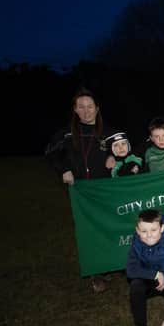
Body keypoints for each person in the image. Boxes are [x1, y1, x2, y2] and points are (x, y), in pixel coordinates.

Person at [45, 88, 115, 293]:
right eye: (81, 107)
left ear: (97, 108)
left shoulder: (108, 134)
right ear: (75, 110)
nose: (86, 111)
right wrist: (64, 169)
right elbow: (50, 153)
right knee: (89, 229)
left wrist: (116, 158)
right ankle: (96, 272)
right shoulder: (66, 134)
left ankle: (111, 264)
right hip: (82, 192)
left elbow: (130, 151)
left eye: (90, 106)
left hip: (106, 189)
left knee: (109, 226)